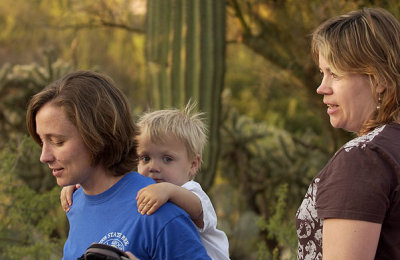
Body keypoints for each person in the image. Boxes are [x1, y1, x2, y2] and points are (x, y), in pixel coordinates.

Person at [26, 70, 211, 260]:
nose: (44, 156)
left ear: (98, 135)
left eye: (57, 141)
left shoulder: (159, 212)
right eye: (42, 141)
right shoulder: (75, 202)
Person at [62, 103, 230, 260]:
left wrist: (168, 190)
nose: (154, 167)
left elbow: (197, 209)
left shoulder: (191, 191)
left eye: (167, 159)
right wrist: (80, 183)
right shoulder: (142, 189)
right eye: (145, 158)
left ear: (193, 165)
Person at [296, 7, 400, 260]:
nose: (322, 88)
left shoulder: (364, 159)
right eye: (323, 73)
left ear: (379, 79)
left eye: (335, 74)